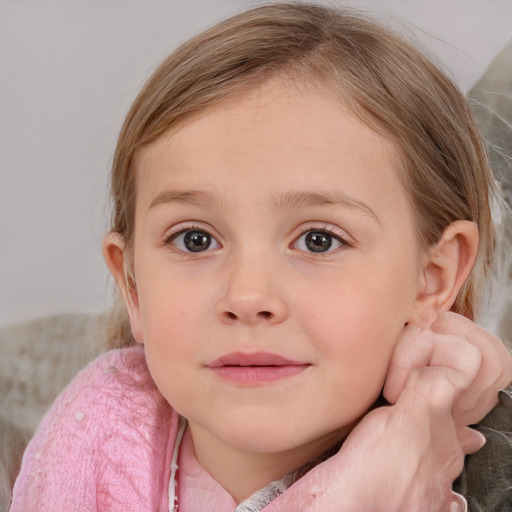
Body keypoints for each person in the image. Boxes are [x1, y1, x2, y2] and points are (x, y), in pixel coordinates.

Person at [10, 3, 512, 511]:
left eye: (319, 240)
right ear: (133, 285)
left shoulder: (474, 484)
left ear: (431, 278)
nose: (248, 296)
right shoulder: (83, 442)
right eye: (195, 240)